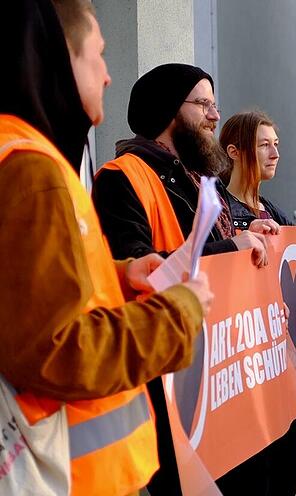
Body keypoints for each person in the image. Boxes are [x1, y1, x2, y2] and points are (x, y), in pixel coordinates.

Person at [0, 1, 213, 494]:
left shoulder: (26, 158)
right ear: (59, 60)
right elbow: (56, 350)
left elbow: (30, 292)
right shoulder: (34, 171)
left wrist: (120, 273)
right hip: (77, 475)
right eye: (98, 54)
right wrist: (179, 313)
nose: (109, 76)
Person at [91, 64, 269, 494]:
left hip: (216, 370)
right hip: (168, 383)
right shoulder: (122, 177)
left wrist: (249, 236)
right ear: (171, 111)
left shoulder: (198, 180)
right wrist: (232, 250)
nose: (214, 115)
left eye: (214, 104)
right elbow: (136, 270)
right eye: (204, 104)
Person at [218, 109, 296, 495]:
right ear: (235, 152)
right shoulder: (216, 212)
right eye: (264, 145)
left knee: (285, 479)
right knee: (250, 479)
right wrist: (238, 236)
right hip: (243, 369)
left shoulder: (277, 212)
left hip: (281, 367)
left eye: (277, 145)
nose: (275, 153)